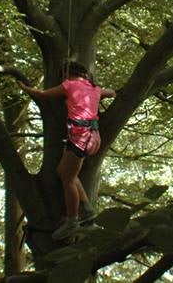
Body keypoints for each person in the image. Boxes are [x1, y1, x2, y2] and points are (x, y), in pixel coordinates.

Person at [19, 60, 116, 240]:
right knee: (65, 171)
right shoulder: (94, 89)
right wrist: (105, 92)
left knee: (68, 179)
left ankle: (73, 221)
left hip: (80, 137)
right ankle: (86, 209)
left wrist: (25, 87)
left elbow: (42, 94)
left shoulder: (69, 84)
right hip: (93, 137)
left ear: (67, 75)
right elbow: (111, 92)